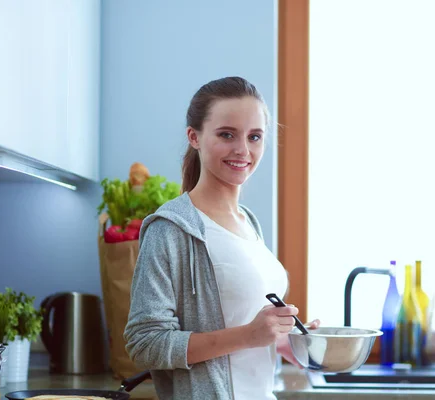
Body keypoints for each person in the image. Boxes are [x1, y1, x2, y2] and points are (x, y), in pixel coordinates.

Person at [124, 76, 320, 400]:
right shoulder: (170, 229)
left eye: (254, 137)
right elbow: (145, 343)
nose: (243, 150)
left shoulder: (248, 223)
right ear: (194, 137)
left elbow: (243, 327)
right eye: (227, 134)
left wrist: (286, 341)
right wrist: (249, 335)